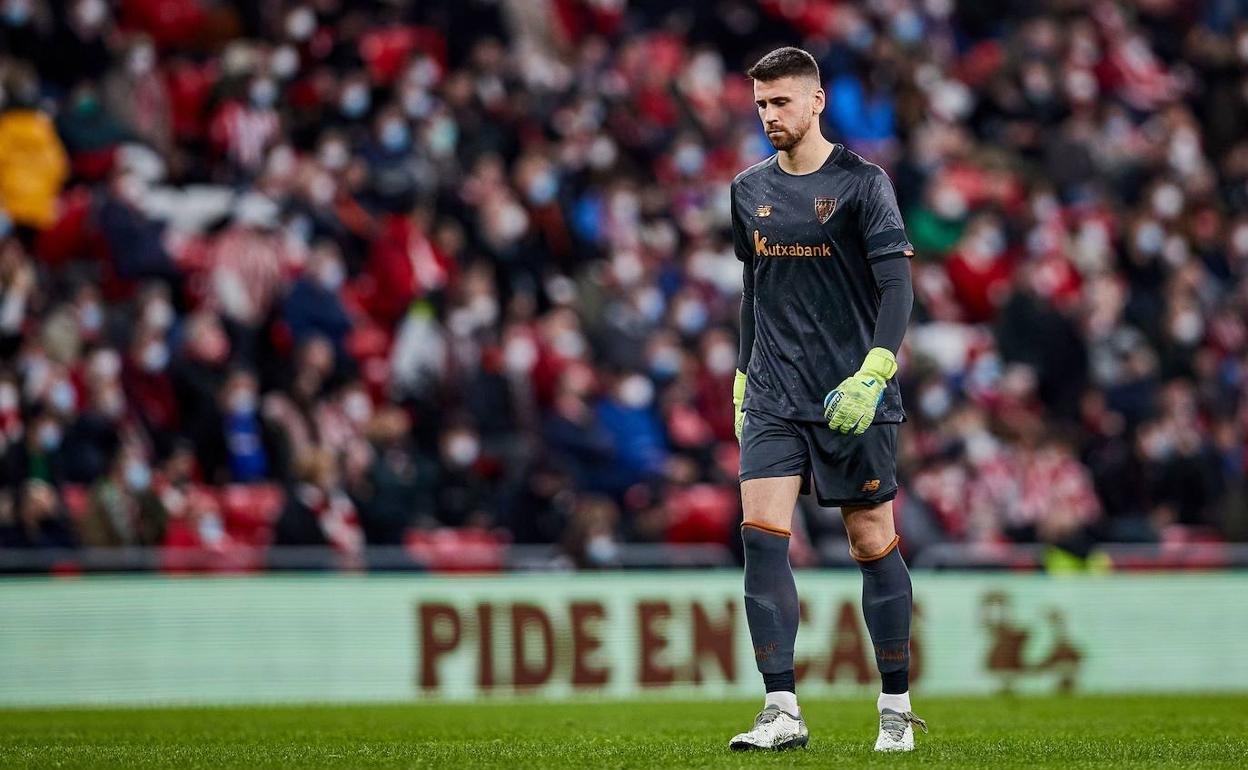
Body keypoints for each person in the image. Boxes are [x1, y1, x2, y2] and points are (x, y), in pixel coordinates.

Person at [727, 47, 923, 753]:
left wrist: (875, 370)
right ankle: (781, 708)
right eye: (760, 105)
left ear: (815, 103)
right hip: (776, 391)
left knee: (871, 541)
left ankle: (895, 705)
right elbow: (754, 287)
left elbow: (897, 286)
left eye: (780, 102)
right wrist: (744, 374)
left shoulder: (864, 184)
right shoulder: (747, 189)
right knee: (760, 537)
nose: (769, 116)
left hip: (852, 394)